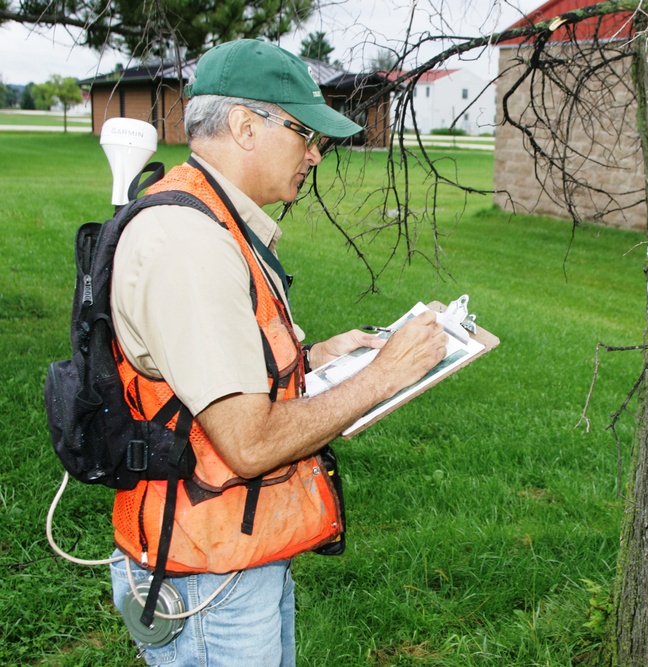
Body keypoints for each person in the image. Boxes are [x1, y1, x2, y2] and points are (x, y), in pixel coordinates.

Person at [106, 39, 447, 666]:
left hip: (229, 557)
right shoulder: (190, 245)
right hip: (207, 578)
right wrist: (387, 374)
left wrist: (314, 360)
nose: (316, 154)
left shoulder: (213, 221)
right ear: (244, 125)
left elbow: (214, 371)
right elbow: (250, 442)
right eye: (304, 133)